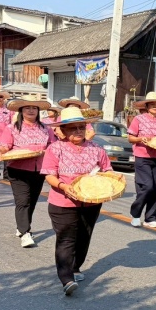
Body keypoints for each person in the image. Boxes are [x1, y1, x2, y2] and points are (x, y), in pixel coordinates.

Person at [41, 107, 115, 296]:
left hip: (91, 202)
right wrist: (64, 186)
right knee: (66, 238)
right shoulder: (55, 149)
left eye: (81, 127)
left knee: (84, 236)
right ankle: (66, 278)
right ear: (63, 130)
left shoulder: (97, 149)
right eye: (73, 128)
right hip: (62, 202)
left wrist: (111, 178)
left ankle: (75, 267)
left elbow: (107, 170)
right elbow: (49, 175)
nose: (78, 131)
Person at [0, 95, 56, 248]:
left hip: (39, 169)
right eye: (27, 107)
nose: (31, 110)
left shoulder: (46, 128)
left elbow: (53, 146)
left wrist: (46, 152)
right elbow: (5, 145)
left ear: (38, 111)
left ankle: (21, 226)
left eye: (34, 108)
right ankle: (25, 232)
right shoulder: (12, 128)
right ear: (21, 110)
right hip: (17, 169)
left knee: (32, 201)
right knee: (22, 201)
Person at [127, 92, 156, 228]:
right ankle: (135, 214)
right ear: (147, 106)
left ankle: (150, 218)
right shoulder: (138, 119)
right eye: (152, 104)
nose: (155, 106)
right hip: (142, 157)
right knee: (147, 186)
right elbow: (130, 138)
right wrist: (141, 139)